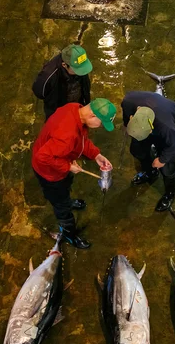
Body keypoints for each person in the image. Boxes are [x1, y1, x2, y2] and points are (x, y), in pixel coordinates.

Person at [32, 99, 115, 248]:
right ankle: (69, 234)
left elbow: (81, 140)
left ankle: (67, 201)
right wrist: (67, 166)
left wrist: (96, 155)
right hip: (50, 174)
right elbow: (42, 157)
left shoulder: (74, 108)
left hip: (61, 160)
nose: (100, 127)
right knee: (61, 206)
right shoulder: (67, 135)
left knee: (66, 188)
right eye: (101, 123)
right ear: (92, 115)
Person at [121, 91, 175, 212]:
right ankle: (150, 172)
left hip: (170, 115)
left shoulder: (167, 128)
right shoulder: (128, 102)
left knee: (168, 167)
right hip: (146, 121)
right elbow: (126, 122)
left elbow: (173, 146)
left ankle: (170, 193)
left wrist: (161, 160)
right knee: (137, 149)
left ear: (151, 130)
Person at [32, 44, 92, 120]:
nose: (82, 72)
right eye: (77, 69)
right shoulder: (48, 75)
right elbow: (39, 92)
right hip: (58, 110)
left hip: (78, 103)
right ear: (64, 65)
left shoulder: (79, 62)